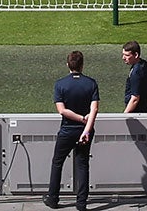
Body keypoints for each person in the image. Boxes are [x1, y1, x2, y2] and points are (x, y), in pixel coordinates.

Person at [46, 50, 100, 211]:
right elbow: (94, 110)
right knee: (82, 164)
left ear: (67, 65)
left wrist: (79, 119)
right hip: (85, 130)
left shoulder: (60, 84)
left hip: (67, 130)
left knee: (57, 163)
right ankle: (81, 203)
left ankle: (53, 199)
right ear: (82, 65)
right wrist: (86, 129)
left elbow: (62, 111)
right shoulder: (91, 83)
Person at [120, 42, 147, 114]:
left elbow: (135, 98)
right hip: (145, 107)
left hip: (136, 112)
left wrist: (124, 116)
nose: (123, 58)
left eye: (127, 55)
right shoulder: (145, 64)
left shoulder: (136, 73)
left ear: (136, 55)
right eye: (123, 55)